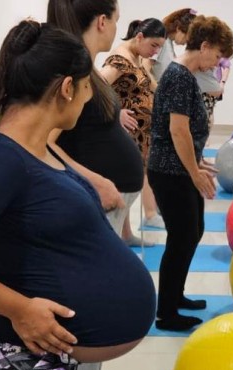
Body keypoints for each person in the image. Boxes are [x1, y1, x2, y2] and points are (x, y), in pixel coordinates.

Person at [0, 20, 155, 370]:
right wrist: (21, 310)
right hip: (13, 364)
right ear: (66, 88)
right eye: (88, 87)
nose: (90, 98)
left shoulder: (35, 146)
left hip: (46, 361)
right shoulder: (0, 158)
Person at [46, 1, 145, 370]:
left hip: (106, 200)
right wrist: (96, 182)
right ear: (102, 21)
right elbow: (44, 143)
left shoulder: (86, 66)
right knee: (92, 310)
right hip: (95, 201)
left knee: (95, 303)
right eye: (117, 20)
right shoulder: (71, 65)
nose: (116, 28)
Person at [148, 15, 233, 331]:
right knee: (181, 237)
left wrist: (197, 164)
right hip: (170, 171)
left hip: (179, 168)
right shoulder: (180, 76)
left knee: (192, 231)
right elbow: (178, 131)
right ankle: (166, 313)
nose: (216, 63)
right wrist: (194, 171)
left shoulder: (184, 75)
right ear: (206, 45)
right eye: (217, 55)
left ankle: (176, 295)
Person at [100, 18, 167, 244]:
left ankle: (125, 235)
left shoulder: (138, 57)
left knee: (130, 185)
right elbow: (96, 87)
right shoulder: (119, 60)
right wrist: (116, 113)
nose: (156, 51)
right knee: (124, 186)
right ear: (139, 37)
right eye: (154, 45)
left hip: (140, 136)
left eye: (160, 47)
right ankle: (113, 239)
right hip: (126, 137)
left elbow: (151, 87)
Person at [151, 8, 198, 81]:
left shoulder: (169, 45)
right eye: (187, 38)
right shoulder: (161, 39)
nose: (186, 43)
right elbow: (145, 67)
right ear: (179, 28)